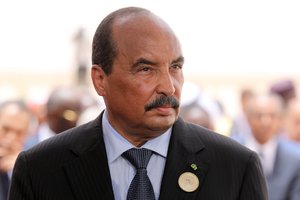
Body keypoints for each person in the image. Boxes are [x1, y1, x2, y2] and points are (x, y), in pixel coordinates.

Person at [9, 7, 268, 199]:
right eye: (146, 69)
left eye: (175, 67)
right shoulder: (41, 169)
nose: (169, 86)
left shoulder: (235, 166)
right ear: (100, 80)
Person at [234, 93, 300, 200]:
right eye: (259, 115)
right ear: (247, 118)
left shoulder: (295, 157)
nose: (265, 122)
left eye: (272, 116)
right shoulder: (232, 151)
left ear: (280, 119)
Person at [0, 100, 31, 200]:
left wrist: (21, 170)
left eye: (19, 133)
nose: (10, 138)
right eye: (6, 129)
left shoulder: (29, 164)